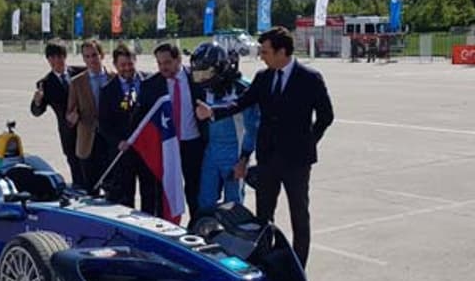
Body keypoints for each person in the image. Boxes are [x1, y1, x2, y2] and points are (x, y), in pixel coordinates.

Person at [196, 26, 333, 268]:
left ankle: (298, 268)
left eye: (266, 51)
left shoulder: (310, 79)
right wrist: (213, 113)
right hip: (268, 160)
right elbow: (240, 103)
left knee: (299, 216)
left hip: (296, 163)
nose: (261, 55)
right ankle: (264, 264)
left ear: (282, 52)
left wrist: (308, 143)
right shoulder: (263, 78)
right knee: (262, 217)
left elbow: (326, 116)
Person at [130, 42, 206, 220]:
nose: (163, 67)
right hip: (165, 146)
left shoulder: (196, 79)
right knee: (164, 190)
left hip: (192, 144)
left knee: (194, 190)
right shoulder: (150, 85)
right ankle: (167, 225)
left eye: (167, 62)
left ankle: (196, 226)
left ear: (178, 59)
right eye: (159, 63)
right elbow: (140, 117)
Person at [189, 42, 260, 215]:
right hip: (211, 152)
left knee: (233, 204)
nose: (202, 79)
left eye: (206, 73)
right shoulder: (205, 90)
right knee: (205, 201)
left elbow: (253, 129)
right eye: (198, 75)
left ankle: (233, 239)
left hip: (234, 154)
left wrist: (244, 160)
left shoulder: (243, 89)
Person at [98, 43, 153, 210]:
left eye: (130, 64)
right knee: (125, 197)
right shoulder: (107, 91)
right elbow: (104, 124)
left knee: (150, 194)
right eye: (122, 65)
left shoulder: (150, 82)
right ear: (115, 65)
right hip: (123, 153)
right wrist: (117, 142)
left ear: (135, 61)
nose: (127, 68)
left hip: (147, 151)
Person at [30, 40, 84, 188]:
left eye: (59, 56)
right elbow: (36, 112)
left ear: (65, 56)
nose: (56, 61)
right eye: (52, 58)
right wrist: (37, 101)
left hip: (87, 129)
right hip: (68, 132)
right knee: (76, 166)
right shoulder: (45, 83)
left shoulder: (80, 72)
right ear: (48, 60)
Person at [66, 39, 114, 192]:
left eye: (94, 55)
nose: (91, 59)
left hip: (110, 140)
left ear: (102, 55)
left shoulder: (114, 78)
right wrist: (72, 118)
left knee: (113, 188)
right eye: (86, 56)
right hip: (88, 141)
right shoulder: (76, 82)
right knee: (90, 189)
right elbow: (70, 112)